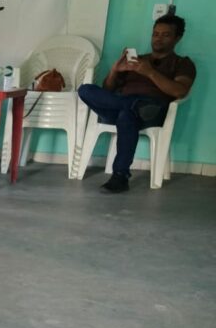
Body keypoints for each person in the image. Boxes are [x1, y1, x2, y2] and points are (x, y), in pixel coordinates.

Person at [78, 14, 195, 193]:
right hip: (123, 106)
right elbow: (107, 90)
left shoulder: (183, 63)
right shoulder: (136, 60)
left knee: (127, 115)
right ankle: (132, 106)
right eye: (155, 34)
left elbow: (179, 91)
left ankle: (120, 176)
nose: (158, 38)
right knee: (86, 90)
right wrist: (115, 71)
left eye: (165, 35)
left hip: (152, 110)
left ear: (177, 38)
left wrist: (150, 73)